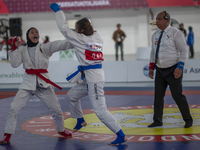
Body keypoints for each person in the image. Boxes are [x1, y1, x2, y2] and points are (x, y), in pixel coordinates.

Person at [50, 3, 127, 145]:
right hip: (90, 77)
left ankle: (120, 133)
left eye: (77, 29)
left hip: (94, 79)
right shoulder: (97, 37)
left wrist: (58, 12)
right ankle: (80, 120)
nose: (75, 31)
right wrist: (86, 22)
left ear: (81, 30)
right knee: (71, 96)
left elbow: (64, 29)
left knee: (100, 110)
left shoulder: (80, 39)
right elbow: (88, 28)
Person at [0, 27, 74, 145]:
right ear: (28, 36)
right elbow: (14, 64)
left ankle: (61, 130)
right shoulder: (22, 50)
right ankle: (7, 135)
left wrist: (77, 41)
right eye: (32, 32)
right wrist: (14, 48)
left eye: (36, 32)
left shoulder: (44, 48)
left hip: (43, 84)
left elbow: (59, 45)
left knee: (56, 110)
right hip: (27, 83)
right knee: (14, 108)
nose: (35, 34)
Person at [148, 11, 193, 128]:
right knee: (158, 96)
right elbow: (153, 52)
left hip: (173, 69)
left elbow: (184, 51)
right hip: (160, 70)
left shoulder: (176, 33)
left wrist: (180, 67)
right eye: (156, 19)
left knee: (177, 95)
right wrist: (151, 67)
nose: (156, 21)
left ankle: (188, 119)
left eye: (159, 19)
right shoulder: (155, 35)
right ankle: (157, 120)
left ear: (167, 20)